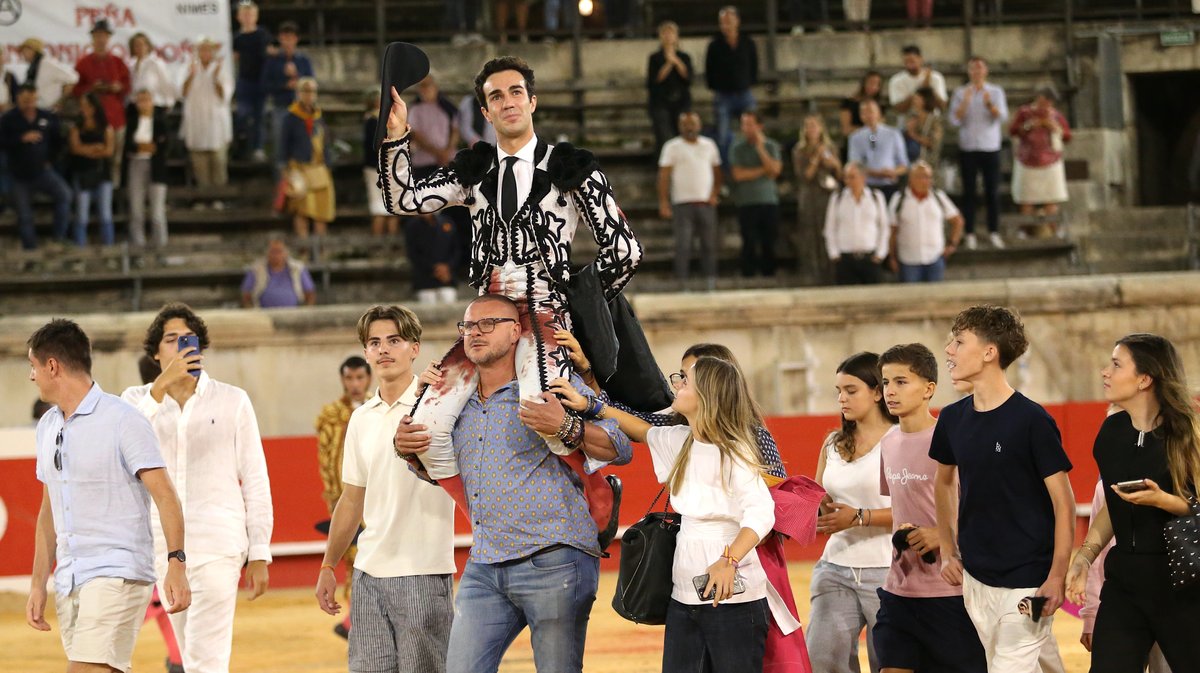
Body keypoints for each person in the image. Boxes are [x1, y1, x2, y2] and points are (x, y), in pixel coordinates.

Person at [378, 55, 641, 519]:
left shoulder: (571, 167)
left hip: (544, 313)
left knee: (543, 412)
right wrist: (398, 136)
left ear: (532, 101)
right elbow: (402, 200)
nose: (508, 102)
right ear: (485, 111)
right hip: (486, 319)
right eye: (496, 96)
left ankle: (599, 494)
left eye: (516, 91)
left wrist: (576, 303)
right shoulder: (474, 169)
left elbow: (625, 251)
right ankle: (486, 519)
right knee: (423, 433)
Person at [392, 294, 633, 673]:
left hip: (556, 558)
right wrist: (407, 450)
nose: (475, 332)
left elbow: (620, 446)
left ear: (516, 331)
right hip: (485, 564)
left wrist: (567, 426)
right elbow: (442, 473)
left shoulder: (553, 384)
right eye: (468, 326)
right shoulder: (449, 401)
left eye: (488, 324)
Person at [555, 356, 777, 671]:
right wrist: (589, 405)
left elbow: (762, 512)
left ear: (707, 396)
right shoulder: (681, 440)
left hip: (734, 599)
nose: (677, 384)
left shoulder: (735, 450)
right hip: (683, 596)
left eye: (685, 380)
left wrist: (729, 561)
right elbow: (641, 429)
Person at [25, 318, 192, 673]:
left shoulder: (123, 420)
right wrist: (38, 584)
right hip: (70, 578)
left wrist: (176, 563)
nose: (31, 376)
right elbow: (49, 512)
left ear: (52, 366)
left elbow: (166, 496)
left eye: (33, 366)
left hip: (118, 573)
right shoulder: (47, 427)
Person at [120, 304, 273, 673]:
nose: (180, 347)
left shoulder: (233, 399)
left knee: (206, 659)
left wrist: (259, 551)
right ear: (156, 353)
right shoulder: (134, 401)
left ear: (200, 347)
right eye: (170, 340)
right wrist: (160, 388)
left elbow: (255, 477)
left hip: (219, 542)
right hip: (162, 546)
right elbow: (122, 448)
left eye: (187, 339)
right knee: (191, 656)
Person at [931, 305, 1073, 672]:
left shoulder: (1033, 420)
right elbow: (943, 482)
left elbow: (1064, 503)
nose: (949, 350)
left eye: (959, 342)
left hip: (1029, 580)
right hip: (976, 577)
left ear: (989, 353)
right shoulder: (951, 418)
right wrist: (947, 549)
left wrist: (1057, 576)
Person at [316, 306, 456, 671]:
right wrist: (329, 564)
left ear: (415, 348)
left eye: (394, 340)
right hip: (369, 573)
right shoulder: (361, 418)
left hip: (424, 570)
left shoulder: (439, 405)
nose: (383, 349)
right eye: (374, 342)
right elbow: (351, 499)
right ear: (366, 352)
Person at [1064, 333, 1200, 671]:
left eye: (1116, 364)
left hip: (1181, 584)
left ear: (1144, 379)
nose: (1105, 372)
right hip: (1124, 583)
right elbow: (1114, 504)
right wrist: (1084, 557)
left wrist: (1164, 501)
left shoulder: (1187, 434)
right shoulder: (1111, 433)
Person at [875, 343, 988, 673]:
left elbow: (986, 510)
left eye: (901, 382)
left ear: (929, 389)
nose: (890, 391)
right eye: (885, 382)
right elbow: (899, 509)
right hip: (898, 590)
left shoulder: (955, 439)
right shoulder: (888, 442)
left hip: (950, 591)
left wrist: (943, 535)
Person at [806, 352, 895, 673]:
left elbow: (918, 511)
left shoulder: (900, 440)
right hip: (834, 567)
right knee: (821, 663)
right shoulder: (832, 443)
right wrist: (812, 509)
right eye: (838, 391)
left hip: (888, 572)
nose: (841, 398)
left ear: (877, 392)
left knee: (890, 665)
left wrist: (859, 516)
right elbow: (820, 497)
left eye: (851, 390)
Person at [1076, 479, 1173, 673]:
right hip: (1126, 598)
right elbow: (1099, 558)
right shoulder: (1105, 487)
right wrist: (1092, 614)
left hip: (1176, 602)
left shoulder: (1181, 480)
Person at [315, 355, 372, 639]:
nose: (355, 384)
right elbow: (326, 462)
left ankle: (355, 621)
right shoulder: (330, 415)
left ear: (368, 378)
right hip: (346, 500)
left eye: (359, 377)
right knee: (354, 561)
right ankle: (356, 621)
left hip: (377, 502)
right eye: (349, 378)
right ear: (342, 380)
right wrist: (335, 503)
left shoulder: (379, 409)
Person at [0, 84, 72, 250]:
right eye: (25, 100)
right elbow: (2, 142)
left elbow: (59, 141)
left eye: (32, 100)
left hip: (43, 171)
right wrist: (20, 139)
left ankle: (58, 239)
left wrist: (51, 159)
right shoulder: (8, 119)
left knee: (65, 195)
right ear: (18, 99)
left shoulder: (46, 116)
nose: (29, 104)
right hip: (19, 175)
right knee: (25, 216)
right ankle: (31, 252)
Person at [949, 56, 1009, 250]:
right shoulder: (960, 93)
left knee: (992, 191)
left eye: (980, 68)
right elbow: (953, 121)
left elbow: (1002, 117)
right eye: (973, 68)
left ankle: (993, 231)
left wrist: (989, 104)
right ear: (968, 71)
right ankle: (970, 233)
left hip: (990, 146)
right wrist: (965, 103)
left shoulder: (995, 91)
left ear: (986, 71)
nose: (976, 71)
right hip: (968, 147)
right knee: (969, 192)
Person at [658, 111, 722, 289]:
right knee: (683, 246)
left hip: (705, 203)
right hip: (682, 204)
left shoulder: (709, 145)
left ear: (699, 125)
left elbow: (717, 173)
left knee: (709, 245)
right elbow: (664, 176)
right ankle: (682, 284)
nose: (689, 128)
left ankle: (710, 282)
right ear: (679, 127)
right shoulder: (672, 147)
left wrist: (714, 194)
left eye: (692, 124)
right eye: (685, 124)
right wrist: (663, 202)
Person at [73, 19, 131, 186]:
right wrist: (92, 88)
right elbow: (75, 89)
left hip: (115, 117)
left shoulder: (118, 62)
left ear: (108, 38)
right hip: (93, 121)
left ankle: (113, 191)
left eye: (104, 36)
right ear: (92, 38)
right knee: (94, 157)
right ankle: (94, 190)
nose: (101, 39)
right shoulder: (83, 62)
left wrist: (117, 87)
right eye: (98, 35)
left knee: (115, 158)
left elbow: (127, 86)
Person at [888, 161, 963, 283]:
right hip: (908, 260)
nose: (925, 181)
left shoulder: (939, 197)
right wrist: (892, 257)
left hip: (935, 258)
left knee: (935, 294)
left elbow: (957, 221)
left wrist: (952, 244)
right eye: (921, 177)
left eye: (928, 177)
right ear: (911, 179)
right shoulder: (899, 199)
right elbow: (892, 230)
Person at [180, 37, 233, 210]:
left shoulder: (221, 69)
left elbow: (225, 95)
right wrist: (191, 75)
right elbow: (182, 92)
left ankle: (218, 198)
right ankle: (202, 198)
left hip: (216, 125)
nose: (205, 53)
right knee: (199, 166)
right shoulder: (189, 68)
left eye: (208, 50)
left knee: (218, 163)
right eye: (202, 50)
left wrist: (215, 77)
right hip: (196, 123)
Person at [1009, 87, 1071, 235]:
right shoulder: (1024, 112)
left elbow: (1067, 136)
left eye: (1049, 103)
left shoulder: (1055, 115)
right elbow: (1013, 130)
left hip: (1051, 161)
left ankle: (1055, 230)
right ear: (1039, 99)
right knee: (1026, 199)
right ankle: (1024, 230)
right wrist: (1029, 125)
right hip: (1028, 160)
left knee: (1051, 198)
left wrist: (1054, 127)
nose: (1046, 105)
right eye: (1044, 101)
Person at [730, 110, 783, 279]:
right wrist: (763, 170)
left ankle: (769, 275)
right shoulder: (737, 148)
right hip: (746, 201)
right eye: (744, 124)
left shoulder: (771, 146)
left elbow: (775, 171)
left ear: (759, 126)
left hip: (768, 200)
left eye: (750, 124)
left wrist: (761, 149)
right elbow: (738, 175)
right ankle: (749, 276)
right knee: (749, 241)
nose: (746, 128)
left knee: (769, 241)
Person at [281, 77, 335, 238]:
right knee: (301, 212)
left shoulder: (319, 117)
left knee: (321, 212)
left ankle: (320, 248)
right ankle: (303, 248)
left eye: (312, 91)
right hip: (300, 169)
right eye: (305, 91)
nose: (309, 95)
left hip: (319, 169)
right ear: (299, 93)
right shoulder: (290, 118)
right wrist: (285, 170)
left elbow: (325, 144)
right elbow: (283, 146)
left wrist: (328, 165)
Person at [705, 6, 758, 166]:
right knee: (723, 135)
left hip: (744, 93)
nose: (726, 25)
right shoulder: (714, 45)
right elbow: (710, 71)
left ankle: (753, 164)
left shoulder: (747, 43)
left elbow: (754, 66)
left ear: (737, 21)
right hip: (723, 95)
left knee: (753, 130)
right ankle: (727, 169)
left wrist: (748, 83)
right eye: (723, 22)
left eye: (729, 21)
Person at [792, 114, 842, 280]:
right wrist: (816, 158)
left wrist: (834, 164)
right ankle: (812, 273)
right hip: (809, 196)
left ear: (821, 128)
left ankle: (831, 271)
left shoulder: (831, 147)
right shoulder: (799, 150)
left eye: (815, 125)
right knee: (810, 234)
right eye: (808, 126)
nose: (812, 129)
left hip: (827, 195)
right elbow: (805, 176)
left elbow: (839, 174)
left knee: (828, 231)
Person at [824, 163, 889, 285]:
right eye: (846, 177)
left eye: (852, 177)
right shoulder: (837, 198)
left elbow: (884, 227)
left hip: (870, 257)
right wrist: (834, 254)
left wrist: (880, 254)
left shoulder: (876, 197)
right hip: (845, 259)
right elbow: (830, 228)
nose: (848, 181)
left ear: (863, 177)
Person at [262, 21, 315, 173]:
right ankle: (282, 182)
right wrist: (284, 84)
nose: (287, 42)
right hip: (281, 107)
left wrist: (297, 76)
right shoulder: (272, 61)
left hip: (302, 109)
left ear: (296, 39)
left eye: (290, 38)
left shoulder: (303, 60)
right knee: (281, 146)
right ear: (280, 39)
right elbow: (265, 85)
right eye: (284, 38)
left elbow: (311, 82)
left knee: (305, 144)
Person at [124, 89, 171, 250]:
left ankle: (160, 245)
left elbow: (163, 145)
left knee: (157, 212)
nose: (143, 104)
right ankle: (138, 246)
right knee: (136, 210)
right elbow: (128, 145)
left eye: (146, 100)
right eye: (140, 100)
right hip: (136, 164)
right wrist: (142, 147)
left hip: (156, 167)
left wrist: (148, 147)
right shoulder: (132, 123)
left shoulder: (160, 123)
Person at [68, 92, 115, 247]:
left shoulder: (106, 127)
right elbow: (75, 148)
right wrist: (95, 148)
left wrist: (86, 149)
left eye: (86, 106)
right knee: (82, 215)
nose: (84, 109)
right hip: (82, 173)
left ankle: (108, 248)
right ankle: (80, 248)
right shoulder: (76, 127)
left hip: (102, 173)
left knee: (105, 214)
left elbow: (108, 151)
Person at [233, 1, 273, 162]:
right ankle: (242, 147)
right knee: (243, 114)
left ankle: (258, 148)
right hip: (244, 81)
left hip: (261, 81)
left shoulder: (263, 34)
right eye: (245, 14)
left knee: (259, 116)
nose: (248, 18)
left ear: (256, 16)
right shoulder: (237, 38)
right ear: (239, 17)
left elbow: (269, 52)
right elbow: (234, 57)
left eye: (250, 14)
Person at [647, 21, 694, 154]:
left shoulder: (684, 57)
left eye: (671, 33)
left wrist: (676, 61)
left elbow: (688, 78)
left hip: (681, 101)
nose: (668, 36)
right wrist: (668, 63)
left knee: (683, 131)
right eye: (665, 33)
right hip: (661, 102)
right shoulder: (654, 58)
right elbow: (655, 80)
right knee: (665, 136)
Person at [847, 99, 908, 202]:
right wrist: (876, 173)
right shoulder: (855, 137)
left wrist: (893, 172)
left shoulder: (893, 134)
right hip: (866, 187)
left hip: (889, 186)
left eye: (871, 111)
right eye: (864, 112)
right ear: (860, 116)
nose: (868, 115)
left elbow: (904, 165)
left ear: (878, 113)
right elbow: (854, 164)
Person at [241, 237, 317, 308]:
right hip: (262, 313)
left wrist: (306, 311)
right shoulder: (256, 269)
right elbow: (246, 295)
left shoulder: (298, 268)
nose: (276, 255)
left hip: (294, 312)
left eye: (279, 251)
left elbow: (310, 293)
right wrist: (252, 312)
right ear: (267, 253)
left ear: (286, 253)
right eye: (273, 251)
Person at [363, 92, 399, 237]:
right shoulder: (373, 121)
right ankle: (378, 244)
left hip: (389, 166)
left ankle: (390, 244)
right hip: (377, 167)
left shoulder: (382, 119)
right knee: (380, 208)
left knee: (392, 207)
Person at [18, 38, 79, 111]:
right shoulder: (32, 68)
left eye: (25, 50)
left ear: (33, 50)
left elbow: (73, 78)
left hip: (51, 110)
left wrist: (61, 101)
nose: (23, 54)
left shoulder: (48, 64)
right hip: (38, 110)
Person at [887, 46, 947, 117]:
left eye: (912, 61)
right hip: (908, 119)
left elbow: (943, 105)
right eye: (906, 62)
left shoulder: (936, 77)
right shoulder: (896, 80)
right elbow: (898, 108)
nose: (909, 65)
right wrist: (920, 90)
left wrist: (929, 89)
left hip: (932, 118)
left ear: (920, 59)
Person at [128, 33, 176, 111]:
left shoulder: (156, 63)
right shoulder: (130, 65)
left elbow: (166, 83)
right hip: (135, 105)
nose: (140, 48)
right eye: (136, 45)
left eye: (142, 44)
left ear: (148, 46)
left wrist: (169, 103)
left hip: (154, 105)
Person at [840, 71, 885, 144]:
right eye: (870, 82)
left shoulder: (880, 105)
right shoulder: (848, 103)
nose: (873, 86)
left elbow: (879, 129)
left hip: (873, 141)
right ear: (864, 83)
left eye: (877, 84)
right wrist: (867, 129)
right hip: (853, 141)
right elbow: (846, 130)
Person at [903, 88, 943, 167]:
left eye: (917, 98)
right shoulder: (911, 117)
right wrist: (907, 131)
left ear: (925, 100)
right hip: (911, 163)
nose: (914, 101)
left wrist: (913, 135)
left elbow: (933, 143)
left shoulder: (935, 121)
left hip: (928, 163)